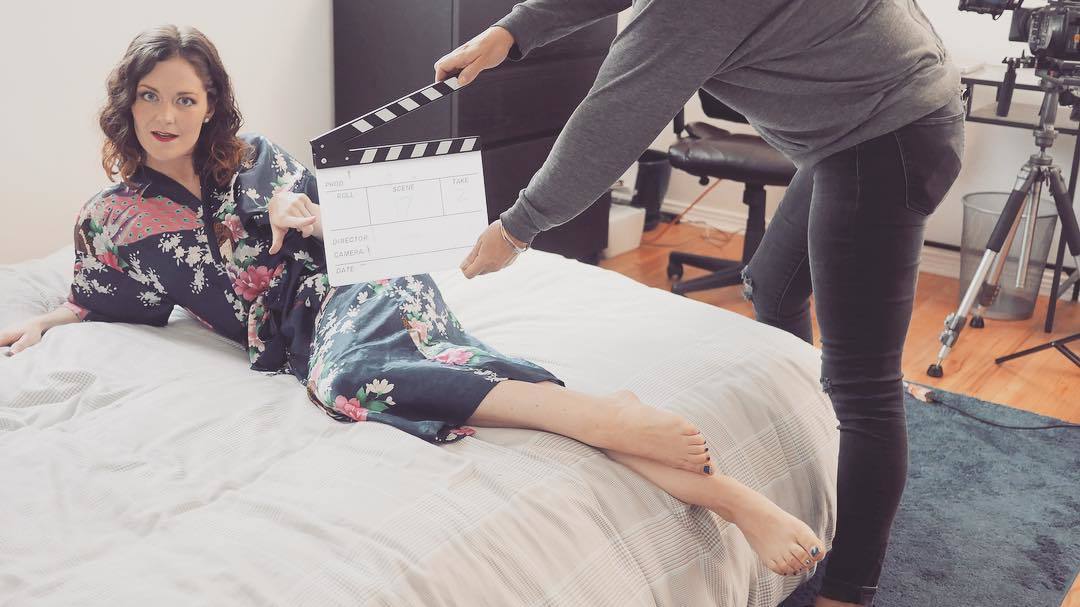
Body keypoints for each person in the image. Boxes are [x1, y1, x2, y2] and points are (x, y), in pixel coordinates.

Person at [0, 24, 826, 578]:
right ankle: (716, 489)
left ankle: (618, 426)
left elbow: (353, 230)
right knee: (439, 371)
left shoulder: (254, 158)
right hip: (301, 334)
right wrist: (51, 318)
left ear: (211, 105)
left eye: (186, 97)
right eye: (150, 96)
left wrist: (308, 215)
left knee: (351, 376)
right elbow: (109, 297)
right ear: (127, 104)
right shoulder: (112, 219)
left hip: (359, 283)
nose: (167, 114)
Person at [436, 1, 965, 605]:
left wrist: (516, 228)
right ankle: (814, 438)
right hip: (858, 125)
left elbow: (612, 120)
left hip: (886, 135)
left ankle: (846, 591)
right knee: (773, 284)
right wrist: (514, 30)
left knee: (863, 382)